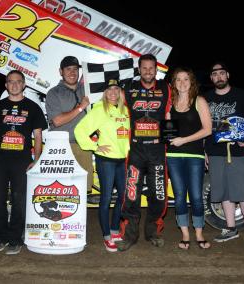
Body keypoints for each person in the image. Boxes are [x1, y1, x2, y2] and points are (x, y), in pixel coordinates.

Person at [0, 70, 47, 255]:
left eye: (18, 82)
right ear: (6, 85)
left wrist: (36, 160)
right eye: (10, 82)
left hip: (22, 162)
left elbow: (38, 135)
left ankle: (15, 239)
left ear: (24, 84)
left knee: (19, 200)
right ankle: (1, 236)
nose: (14, 85)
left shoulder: (33, 107)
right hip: (0, 161)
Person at [117, 54, 172, 251]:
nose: (148, 71)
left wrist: (171, 136)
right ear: (139, 70)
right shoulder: (129, 88)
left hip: (158, 149)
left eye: (151, 68)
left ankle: (153, 232)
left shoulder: (165, 87)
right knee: (131, 194)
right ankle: (129, 236)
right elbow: (115, 107)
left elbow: (169, 114)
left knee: (158, 193)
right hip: (136, 149)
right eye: (144, 68)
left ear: (156, 70)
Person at [204, 62, 244, 247]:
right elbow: (204, 127)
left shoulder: (241, 95)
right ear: (211, 78)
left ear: (227, 75)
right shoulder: (206, 98)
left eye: (222, 73)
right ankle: (230, 228)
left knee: (243, 191)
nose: (219, 77)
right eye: (215, 74)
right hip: (215, 151)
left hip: (238, 151)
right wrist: (205, 150)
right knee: (223, 191)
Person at [74, 79, 130, 252]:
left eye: (116, 89)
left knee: (122, 196)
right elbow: (79, 130)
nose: (113, 92)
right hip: (106, 160)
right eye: (109, 90)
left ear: (120, 92)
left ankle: (114, 229)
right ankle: (106, 235)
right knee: (106, 198)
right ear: (105, 93)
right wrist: (95, 146)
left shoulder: (125, 110)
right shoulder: (100, 109)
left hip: (122, 160)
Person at [166, 67, 212, 250]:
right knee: (178, 197)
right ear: (174, 83)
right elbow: (166, 131)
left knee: (195, 197)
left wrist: (183, 140)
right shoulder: (170, 103)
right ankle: (185, 234)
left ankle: (199, 233)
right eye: (178, 79)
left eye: (186, 79)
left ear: (191, 82)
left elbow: (208, 130)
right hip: (173, 156)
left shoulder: (199, 101)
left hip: (194, 155)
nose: (182, 83)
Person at [45, 56, 93, 192]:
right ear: (61, 71)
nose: (72, 72)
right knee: (60, 188)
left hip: (83, 145)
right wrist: (80, 107)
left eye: (75, 69)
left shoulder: (87, 89)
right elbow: (57, 121)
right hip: (61, 146)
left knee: (83, 191)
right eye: (68, 69)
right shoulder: (53, 92)